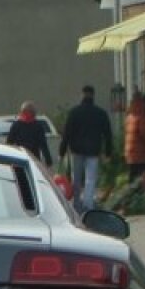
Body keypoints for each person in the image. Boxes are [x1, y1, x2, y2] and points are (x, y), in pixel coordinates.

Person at [59, 85, 113, 213]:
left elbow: (67, 133)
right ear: (93, 95)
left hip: (76, 150)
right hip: (93, 151)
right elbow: (107, 134)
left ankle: (76, 204)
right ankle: (88, 205)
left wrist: (62, 151)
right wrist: (108, 152)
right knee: (90, 179)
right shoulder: (100, 113)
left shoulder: (74, 112)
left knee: (76, 178)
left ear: (82, 95)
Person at [5, 101, 52, 166]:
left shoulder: (16, 125)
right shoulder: (37, 126)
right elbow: (43, 145)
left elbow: (9, 142)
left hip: (21, 157)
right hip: (32, 157)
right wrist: (48, 160)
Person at [124, 92, 145, 183]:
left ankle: (130, 194)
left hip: (130, 151)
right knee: (141, 178)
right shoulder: (142, 115)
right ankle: (136, 195)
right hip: (140, 152)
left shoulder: (130, 114)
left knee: (132, 176)